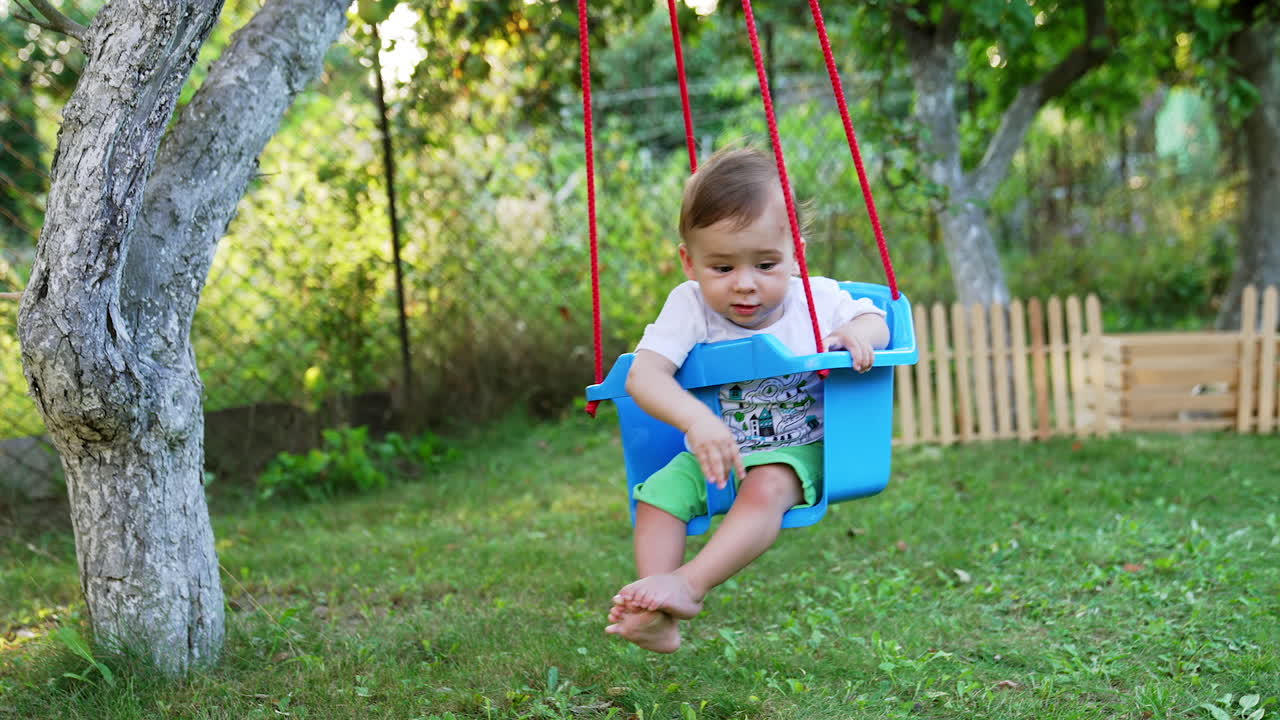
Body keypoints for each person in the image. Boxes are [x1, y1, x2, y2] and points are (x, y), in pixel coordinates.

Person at [605, 147, 891, 653]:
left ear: (795, 255)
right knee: (655, 496)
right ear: (688, 262)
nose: (744, 284)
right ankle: (657, 607)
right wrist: (696, 421)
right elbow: (644, 376)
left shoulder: (817, 299)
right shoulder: (688, 305)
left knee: (765, 487)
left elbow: (877, 321)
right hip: (717, 446)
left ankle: (689, 587)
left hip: (800, 450)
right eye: (721, 267)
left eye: (765, 264)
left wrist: (856, 332)